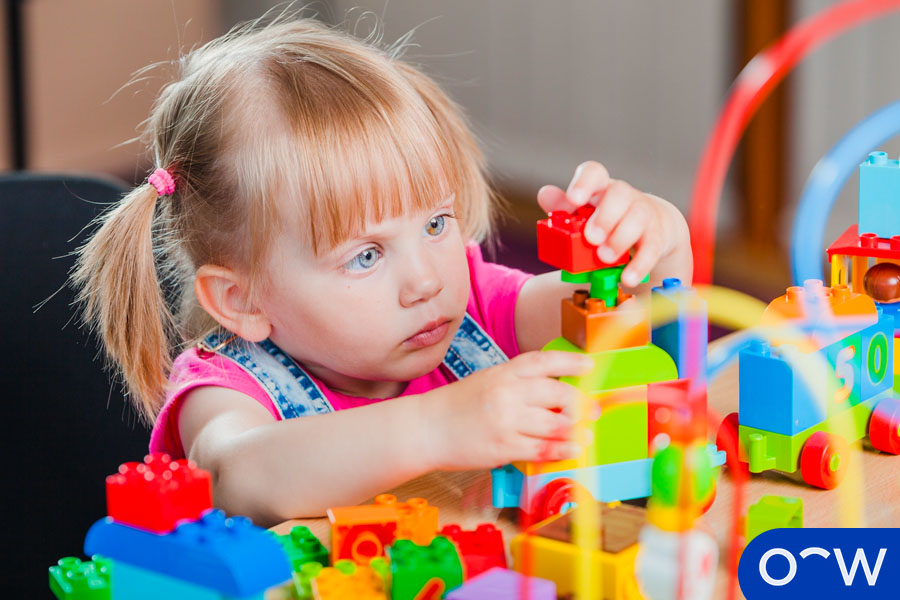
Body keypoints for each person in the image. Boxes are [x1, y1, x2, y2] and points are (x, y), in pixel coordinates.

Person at [73, 16, 691, 526]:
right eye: (365, 255)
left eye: (435, 224)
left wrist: (654, 242)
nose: (427, 280)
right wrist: (439, 426)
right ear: (242, 301)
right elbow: (241, 476)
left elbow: (628, 322)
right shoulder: (223, 391)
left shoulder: (473, 300)